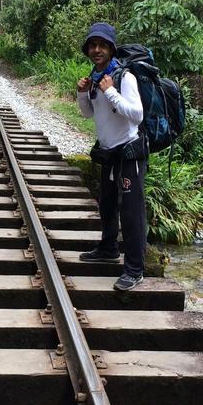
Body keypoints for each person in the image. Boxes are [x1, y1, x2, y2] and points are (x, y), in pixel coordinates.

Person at [76, 22, 147, 291]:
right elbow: (88, 114)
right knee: (106, 204)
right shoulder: (95, 78)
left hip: (129, 152)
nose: (96, 50)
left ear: (110, 49)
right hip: (108, 152)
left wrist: (110, 91)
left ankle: (134, 269)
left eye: (102, 45)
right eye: (92, 45)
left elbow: (136, 114)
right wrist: (83, 93)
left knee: (131, 213)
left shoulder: (123, 77)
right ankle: (108, 248)